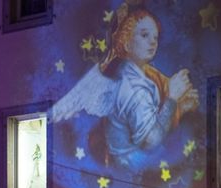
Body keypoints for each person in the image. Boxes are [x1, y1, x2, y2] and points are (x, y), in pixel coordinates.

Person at [52, 3, 198, 171]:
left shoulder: (134, 73)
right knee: (179, 154)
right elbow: (151, 140)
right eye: (145, 35)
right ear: (127, 43)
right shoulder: (134, 88)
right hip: (132, 163)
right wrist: (172, 99)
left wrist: (179, 107)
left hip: (128, 160)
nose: (153, 42)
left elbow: (149, 122)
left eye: (155, 37)